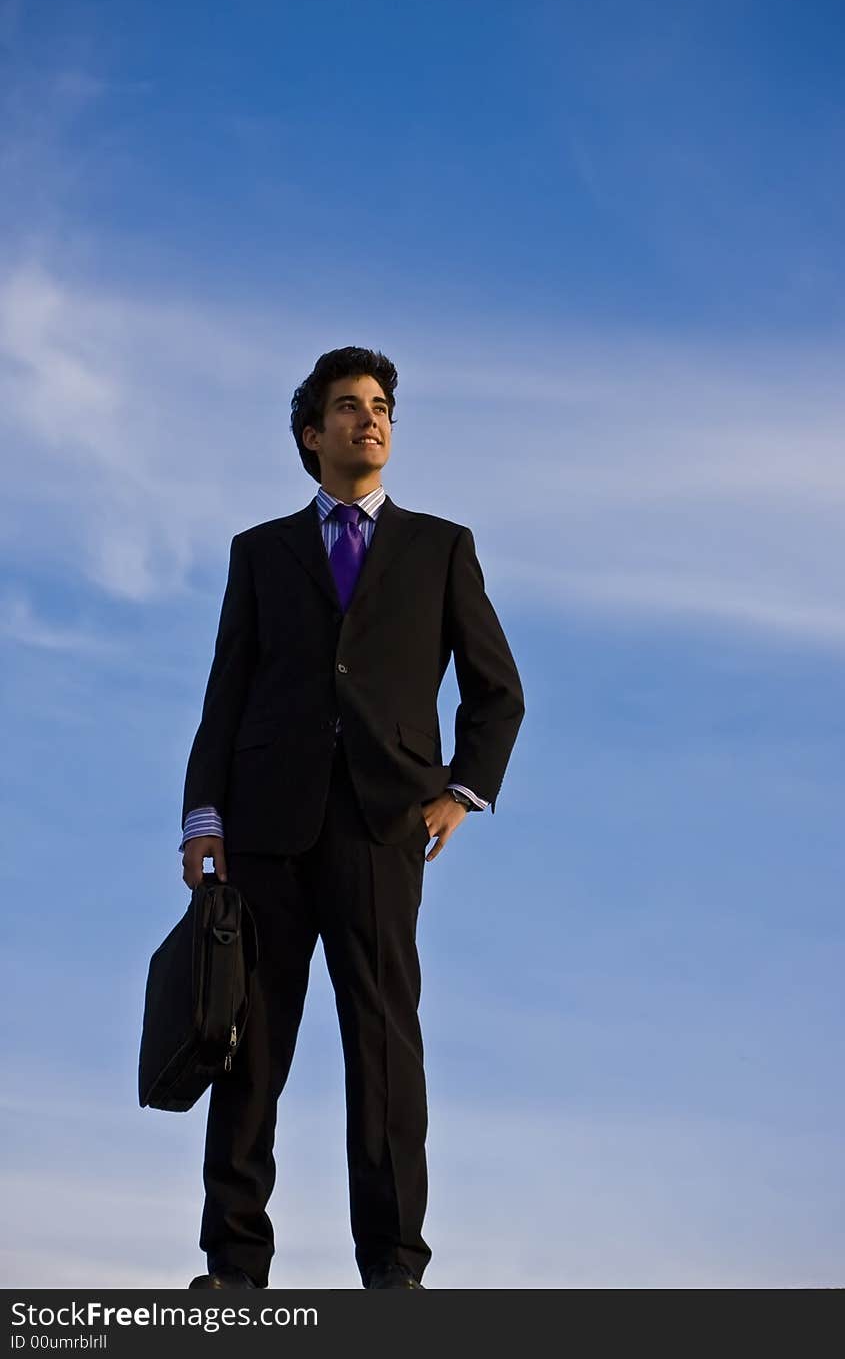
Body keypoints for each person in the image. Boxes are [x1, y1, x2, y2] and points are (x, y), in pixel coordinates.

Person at [178, 346, 525, 1289]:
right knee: (248, 1047)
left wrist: (461, 790)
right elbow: (227, 694)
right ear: (311, 433)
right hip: (264, 829)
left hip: (383, 828)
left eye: (381, 407)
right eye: (346, 406)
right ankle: (235, 1267)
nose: (369, 419)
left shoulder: (440, 547)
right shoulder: (261, 552)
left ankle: (393, 1273)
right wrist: (203, 817)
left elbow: (498, 694)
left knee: (381, 1044)